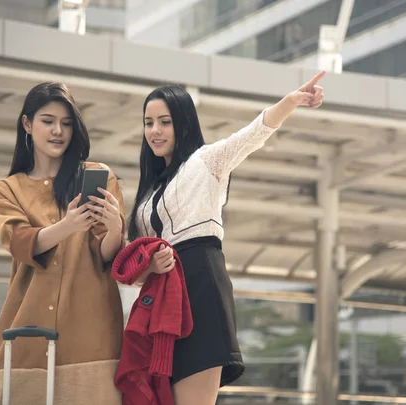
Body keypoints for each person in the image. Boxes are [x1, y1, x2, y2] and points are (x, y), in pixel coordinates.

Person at [126, 71, 326, 405]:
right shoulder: (149, 189)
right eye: (149, 123)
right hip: (161, 298)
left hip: (201, 287)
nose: (155, 131)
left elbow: (255, 133)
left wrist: (291, 101)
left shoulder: (207, 161)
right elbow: (133, 267)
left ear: (184, 123)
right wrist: (149, 265)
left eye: (165, 121)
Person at [0, 82, 126, 405]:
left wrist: (116, 230)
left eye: (67, 123)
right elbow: (19, 243)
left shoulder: (100, 176)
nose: (58, 131)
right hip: (25, 336)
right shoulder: (9, 189)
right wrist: (67, 226)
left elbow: (105, 254)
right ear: (27, 124)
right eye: (48, 121)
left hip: (93, 339)